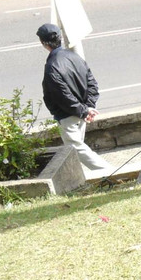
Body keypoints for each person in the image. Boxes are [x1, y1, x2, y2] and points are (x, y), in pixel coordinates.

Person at [37, 23, 111, 178]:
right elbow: (91, 83)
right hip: (82, 111)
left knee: (75, 147)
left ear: (43, 43)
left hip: (69, 114)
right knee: (78, 148)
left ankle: (107, 171)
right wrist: (88, 107)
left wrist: (85, 110)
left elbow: (61, 95)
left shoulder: (52, 66)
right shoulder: (74, 56)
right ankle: (81, 176)